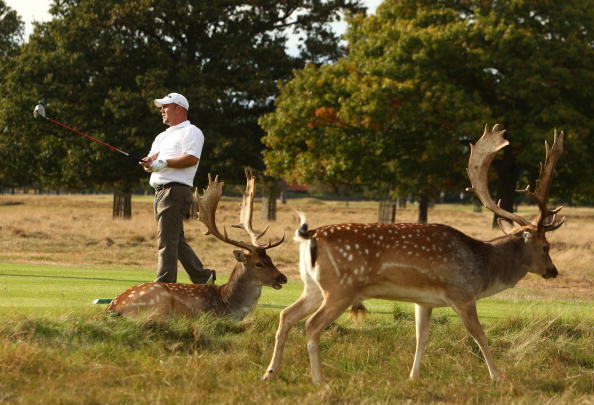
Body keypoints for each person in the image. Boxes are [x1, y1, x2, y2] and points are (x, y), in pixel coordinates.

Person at [140, 92, 215, 284]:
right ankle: (203, 277)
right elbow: (153, 159)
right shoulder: (162, 136)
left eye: (166, 106)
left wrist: (163, 163)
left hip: (175, 191)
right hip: (160, 191)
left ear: (178, 108)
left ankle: (164, 285)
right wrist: (149, 162)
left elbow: (191, 158)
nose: (162, 110)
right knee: (176, 240)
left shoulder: (191, 131)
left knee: (166, 241)